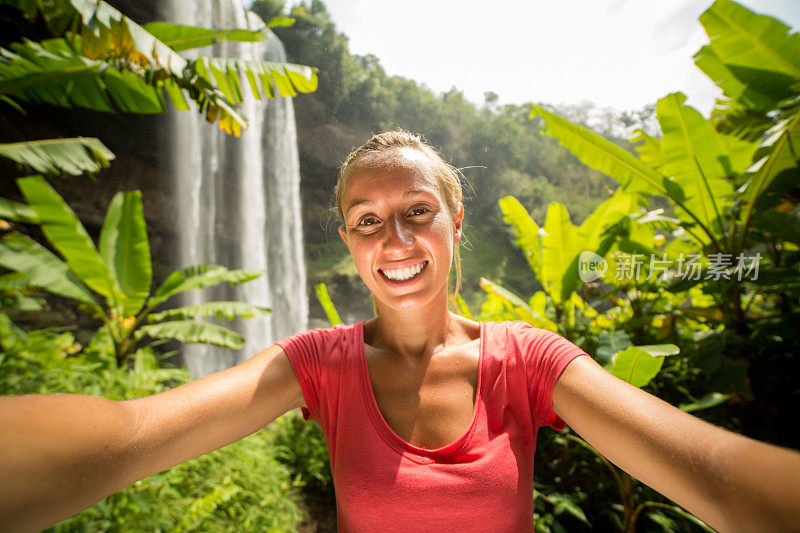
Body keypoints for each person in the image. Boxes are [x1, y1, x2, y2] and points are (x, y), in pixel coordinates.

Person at [1, 131, 800, 532]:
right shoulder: (318, 365)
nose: (396, 241)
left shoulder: (526, 359)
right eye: (368, 220)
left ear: (455, 220)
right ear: (347, 240)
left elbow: (717, 472)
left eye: (418, 212)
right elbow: (126, 434)